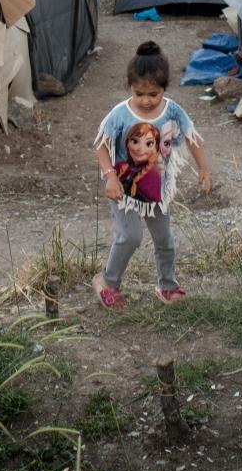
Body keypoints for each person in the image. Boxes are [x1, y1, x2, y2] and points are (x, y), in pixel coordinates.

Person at [91, 42, 213, 307]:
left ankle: (167, 286)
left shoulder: (172, 111)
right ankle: (107, 282)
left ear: (164, 89)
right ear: (130, 88)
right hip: (122, 185)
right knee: (130, 236)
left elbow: (192, 138)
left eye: (153, 94)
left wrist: (203, 169)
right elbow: (100, 144)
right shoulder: (120, 114)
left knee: (164, 239)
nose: (146, 100)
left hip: (155, 186)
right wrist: (110, 176)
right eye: (139, 93)